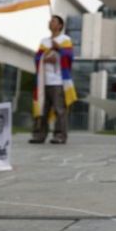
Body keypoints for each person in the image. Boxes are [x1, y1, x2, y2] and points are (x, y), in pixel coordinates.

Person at [29, 15, 77, 144]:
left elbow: (69, 56)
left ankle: (60, 135)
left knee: (59, 110)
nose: (50, 22)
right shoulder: (44, 41)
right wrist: (44, 58)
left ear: (60, 25)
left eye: (54, 21)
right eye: (50, 21)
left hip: (58, 81)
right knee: (42, 109)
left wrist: (59, 49)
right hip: (43, 81)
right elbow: (37, 58)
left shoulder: (65, 39)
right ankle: (39, 135)